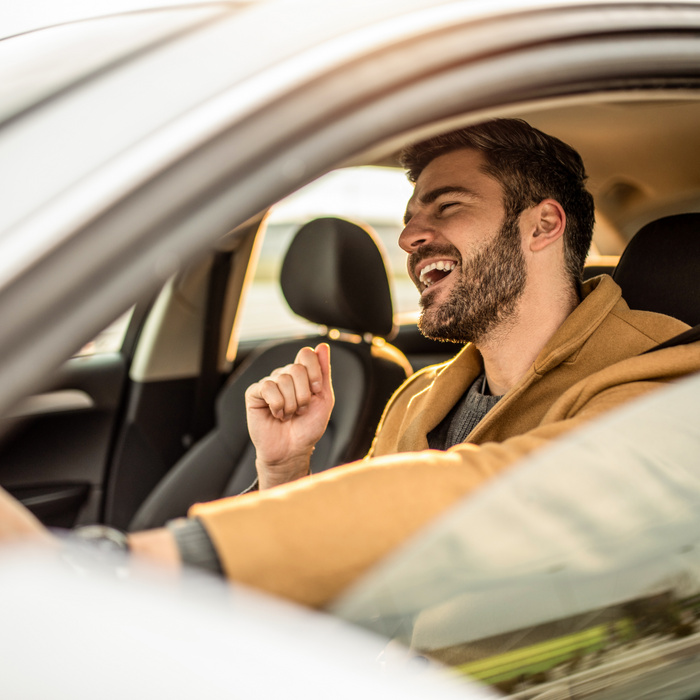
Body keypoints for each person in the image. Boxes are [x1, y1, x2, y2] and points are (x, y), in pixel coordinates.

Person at [2, 119, 699, 607]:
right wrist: (284, 468)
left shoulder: (662, 386)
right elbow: (362, 566)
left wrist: (128, 567)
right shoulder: (421, 398)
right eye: (410, 216)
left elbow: (490, 504)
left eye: (446, 206)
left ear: (542, 225)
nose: (409, 236)